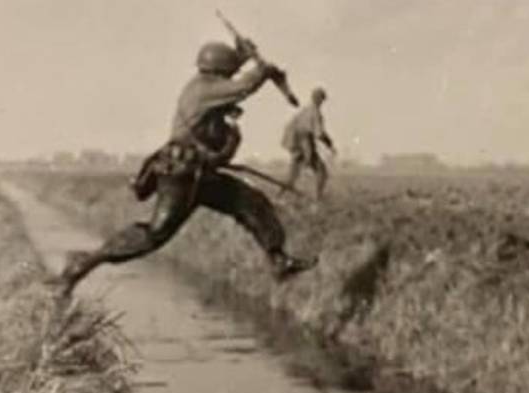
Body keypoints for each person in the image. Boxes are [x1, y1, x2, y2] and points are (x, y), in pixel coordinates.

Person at [55, 40, 317, 293]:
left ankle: (278, 260)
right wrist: (263, 69)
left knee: (250, 202)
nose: (230, 76)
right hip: (181, 175)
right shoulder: (204, 89)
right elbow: (244, 86)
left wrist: (244, 55)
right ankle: (82, 264)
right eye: (229, 70)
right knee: (155, 234)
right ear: (219, 70)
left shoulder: (207, 86)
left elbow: (233, 87)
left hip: (199, 176)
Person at [281, 87, 336, 200]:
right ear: (320, 99)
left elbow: (291, 127)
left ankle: (280, 197)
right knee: (322, 172)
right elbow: (319, 134)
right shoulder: (315, 112)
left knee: (293, 174)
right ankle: (317, 199)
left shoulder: (304, 110)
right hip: (303, 143)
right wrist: (330, 144)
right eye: (322, 99)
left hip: (295, 143)